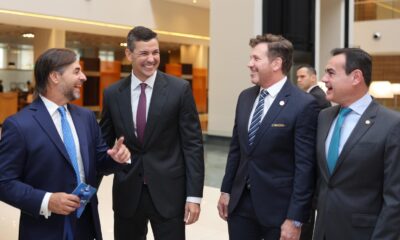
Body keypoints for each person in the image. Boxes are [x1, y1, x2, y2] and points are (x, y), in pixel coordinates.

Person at [0, 48, 131, 240]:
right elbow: (5, 182)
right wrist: (47, 200)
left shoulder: (86, 117)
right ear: (54, 76)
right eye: (76, 71)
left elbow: (100, 160)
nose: (84, 77)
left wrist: (115, 158)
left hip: (86, 225)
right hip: (44, 229)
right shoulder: (19, 125)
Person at [100, 26, 204, 240]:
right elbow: (103, 145)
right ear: (129, 54)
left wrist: (194, 196)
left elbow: (192, 145)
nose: (151, 59)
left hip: (169, 194)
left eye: (155, 52)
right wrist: (89, 187)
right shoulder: (112, 94)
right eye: (144, 53)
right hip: (128, 194)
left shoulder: (179, 90)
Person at [217, 34, 319, 240]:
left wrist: (295, 218)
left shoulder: (303, 104)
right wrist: (226, 191)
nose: (249, 64)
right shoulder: (245, 97)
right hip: (240, 206)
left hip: (279, 210)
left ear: (276, 63)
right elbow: (236, 148)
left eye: (256, 59)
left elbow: (305, 167)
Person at [314, 48, 400, 240]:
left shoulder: (392, 124)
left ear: (356, 77)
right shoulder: (324, 117)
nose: (324, 79)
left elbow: (395, 199)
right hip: (323, 232)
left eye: (331, 72)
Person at [296, 65, 331, 240]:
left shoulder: (315, 98)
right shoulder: (312, 97)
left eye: (303, 76)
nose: (299, 80)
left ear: (313, 77)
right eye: (297, 77)